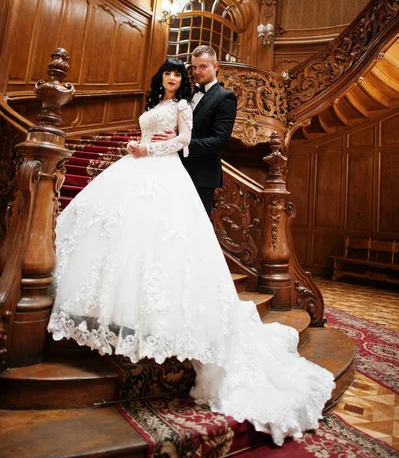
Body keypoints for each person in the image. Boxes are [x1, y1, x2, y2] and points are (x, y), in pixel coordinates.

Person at [48, 57, 334, 447]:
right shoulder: (154, 104)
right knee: (122, 236)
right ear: (161, 77)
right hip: (138, 168)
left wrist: (156, 150)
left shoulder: (188, 105)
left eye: (181, 73)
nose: (175, 77)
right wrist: (139, 145)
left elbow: (187, 141)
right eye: (172, 72)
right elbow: (156, 136)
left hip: (167, 174)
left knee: (167, 244)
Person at [152, 45, 237, 215]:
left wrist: (181, 142)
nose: (197, 72)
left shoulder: (225, 97)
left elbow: (220, 140)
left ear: (215, 66)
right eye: (194, 67)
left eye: (203, 66)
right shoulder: (187, 94)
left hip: (202, 175)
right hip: (176, 169)